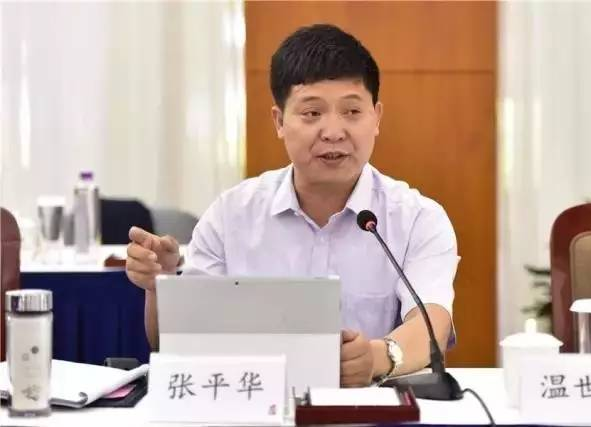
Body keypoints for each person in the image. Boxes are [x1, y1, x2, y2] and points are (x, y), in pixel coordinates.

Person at [126, 24, 459, 387]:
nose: (333, 132)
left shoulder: (418, 218)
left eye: (352, 111)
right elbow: (176, 346)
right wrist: (161, 287)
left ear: (376, 118)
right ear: (279, 121)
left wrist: (378, 357)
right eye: (312, 113)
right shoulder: (230, 216)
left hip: (370, 405)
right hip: (253, 403)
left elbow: (431, 324)